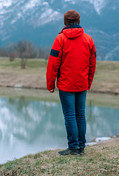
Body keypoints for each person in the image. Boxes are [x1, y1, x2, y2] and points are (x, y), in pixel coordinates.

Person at [46, 9, 96, 156]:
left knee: (70, 115)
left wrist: (50, 84)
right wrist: (88, 82)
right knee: (80, 115)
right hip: (82, 84)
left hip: (66, 85)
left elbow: (53, 64)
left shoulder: (60, 39)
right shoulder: (88, 39)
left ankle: (73, 147)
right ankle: (81, 147)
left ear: (65, 22)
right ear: (79, 21)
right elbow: (92, 64)